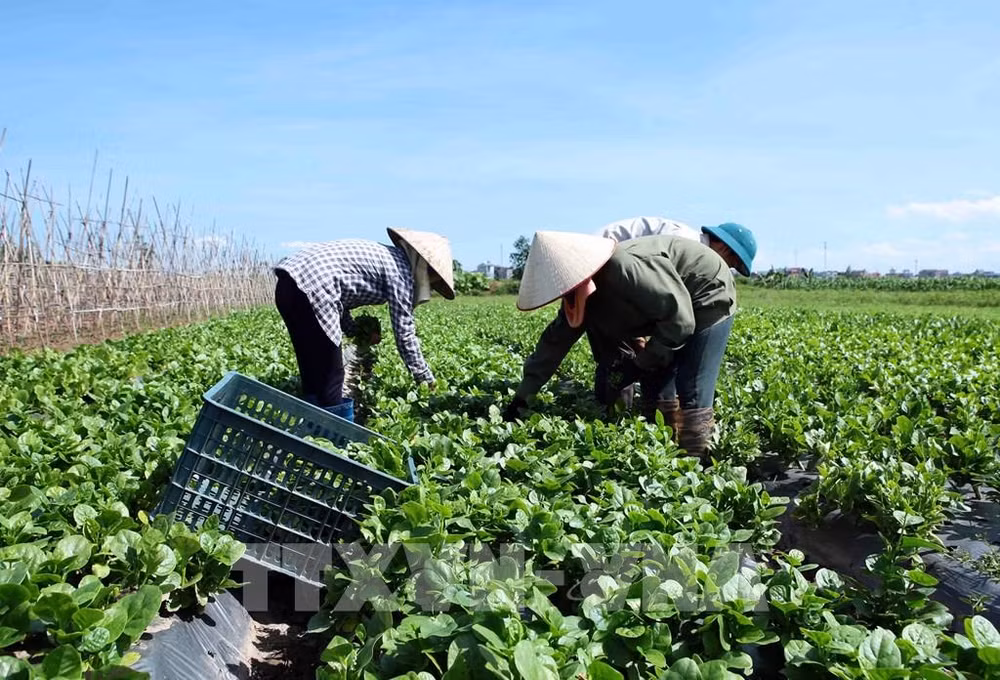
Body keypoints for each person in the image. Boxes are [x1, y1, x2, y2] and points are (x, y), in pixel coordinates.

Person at [502, 230, 743, 459]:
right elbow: (552, 345)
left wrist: (642, 361)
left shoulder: (624, 268)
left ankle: (697, 466)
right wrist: (522, 399)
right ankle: (665, 449)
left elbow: (679, 322)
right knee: (656, 380)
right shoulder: (578, 291)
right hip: (668, 307)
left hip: (706, 289)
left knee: (692, 383)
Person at [273, 227, 455, 420]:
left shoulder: (387, 257)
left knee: (311, 366)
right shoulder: (402, 273)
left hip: (287, 284)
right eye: (430, 279)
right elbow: (405, 336)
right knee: (331, 377)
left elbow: (339, 297)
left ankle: (309, 424)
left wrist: (355, 329)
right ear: (423, 267)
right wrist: (426, 380)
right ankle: (335, 438)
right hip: (315, 288)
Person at [592, 217, 757, 425]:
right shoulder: (688, 246)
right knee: (625, 358)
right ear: (724, 249)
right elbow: (666, 310)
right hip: (607, 276)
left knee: (658, 354)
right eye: (731, 265)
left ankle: (648, 419)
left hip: (622, 285)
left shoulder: (691, 255)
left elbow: (665, 311)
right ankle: (613, 417)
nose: (725, 270)